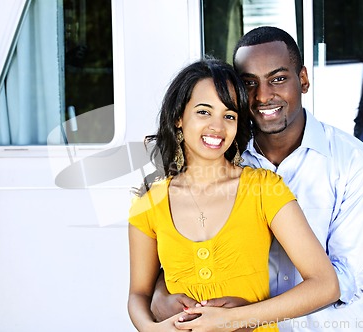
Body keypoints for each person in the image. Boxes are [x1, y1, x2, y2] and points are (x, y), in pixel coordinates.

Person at [152, 27, 363, 332]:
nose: (263, 96)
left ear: (303, 80)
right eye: (249, 83)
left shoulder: (353, 163)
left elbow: (345, 280)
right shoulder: (223, 160)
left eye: (278, 79)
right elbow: (180, 246)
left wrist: (249, 313)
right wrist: (160, 293)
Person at [127, 57, 340, 332]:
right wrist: (152, 328)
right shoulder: (147, 204)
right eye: (204, 112)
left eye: (229, 115)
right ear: (179, 117)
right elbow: (138, 295)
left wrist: (234, 319)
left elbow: (326, 285)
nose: (217, 126)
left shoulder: (264, 188)